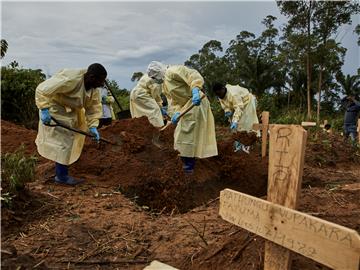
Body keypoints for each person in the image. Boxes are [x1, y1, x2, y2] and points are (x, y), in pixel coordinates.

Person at [35, 63, 107, 185]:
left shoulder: (93, 89)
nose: (102, 84)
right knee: (64, 142)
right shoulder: (70, 78)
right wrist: (44, 109)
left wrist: (93, 125)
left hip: (72, 112)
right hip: (55, 108)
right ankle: (61, 176)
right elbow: (42, 89)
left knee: (70, 140)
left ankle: (61, 172)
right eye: (100, 81)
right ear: (92, 77)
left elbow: (94, 107)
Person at [147, 61, 218, 173]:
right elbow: (174, 102)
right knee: (182, 134)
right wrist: (176, 113)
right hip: (186, 107)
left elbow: (192, 75)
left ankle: (189, 165)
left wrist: (195, 90)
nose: (155, 79)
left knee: (186, 133)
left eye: (155, 76)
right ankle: (188, 161)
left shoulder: (172, 71)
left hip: (195, 102)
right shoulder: (165, 84)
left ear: (159, 71)